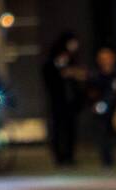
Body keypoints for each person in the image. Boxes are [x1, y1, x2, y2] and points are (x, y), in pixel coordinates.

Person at [42, 31, 86, 166]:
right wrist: (62, 74)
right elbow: (49, 78)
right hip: (58, 102)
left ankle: (70, 156)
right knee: (58, 130)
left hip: (71, 102)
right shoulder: (52, 62)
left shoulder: (73, 60)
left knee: (71, 129)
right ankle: (59, 157)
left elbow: (82, 76)